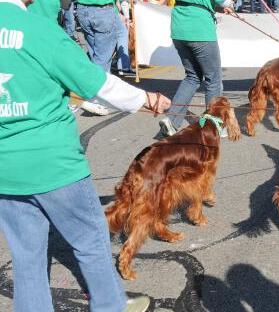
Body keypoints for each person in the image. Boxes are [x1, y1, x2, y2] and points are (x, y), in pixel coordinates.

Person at [0, 0, 171, 311]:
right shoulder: (38, 31)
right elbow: (96, 83)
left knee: (26, 257)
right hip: (54, 164)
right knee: (90, 242)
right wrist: (147, 98)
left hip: (5, 169)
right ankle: (111, 305)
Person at [158, 0, 234, 136]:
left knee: (192, 77)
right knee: (213, 79)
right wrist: (228, 4)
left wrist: (218, 7)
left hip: (179, 26)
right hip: (199, 27)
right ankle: (214, 126)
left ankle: (171, 119)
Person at [76, 0, 122, 116]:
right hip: (102, 10)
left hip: (83, 9)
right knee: (102, 58)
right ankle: (95, 99)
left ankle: (101, 95)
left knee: (96, 56)